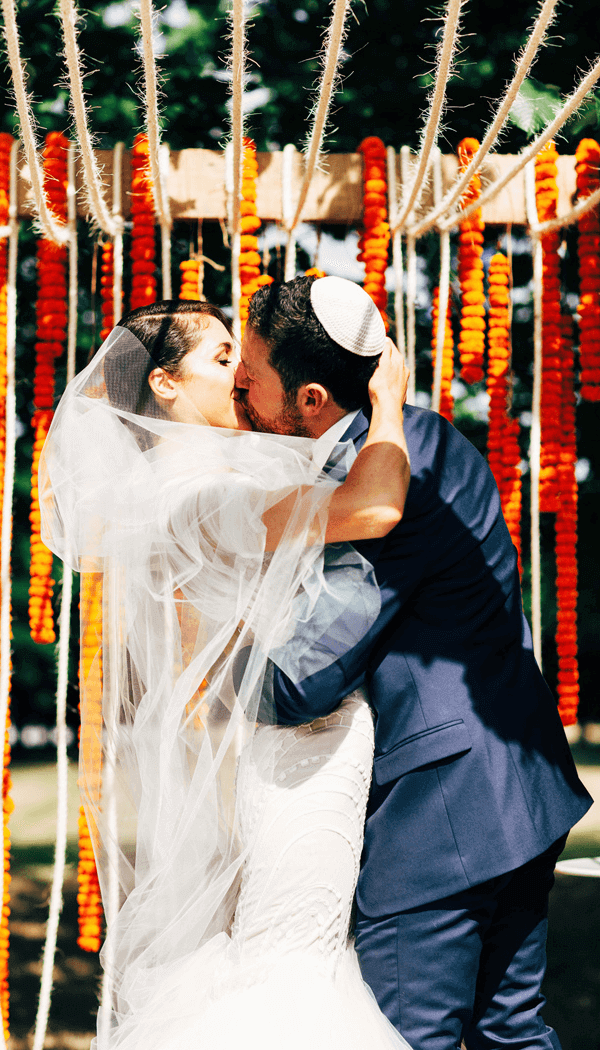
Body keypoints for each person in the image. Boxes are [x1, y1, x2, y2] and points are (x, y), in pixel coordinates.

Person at [39, 299, 413, 1050]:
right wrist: (390, 405)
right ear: (165, 387)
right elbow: (372, 507)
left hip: (276, 746)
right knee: (291, 975)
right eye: (220, 359)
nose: (243, 375)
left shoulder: (201, 485)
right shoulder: (201, 496)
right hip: (294, 750)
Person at [234, 274, 593, 1050]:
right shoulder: (423, 436)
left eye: (252, 377)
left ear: (311, 401)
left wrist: (211, 661)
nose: (239, 391)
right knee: (512, 1033)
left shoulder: (388, 475)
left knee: (409, 1037)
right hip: (516, 787)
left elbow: (304, 678)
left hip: (445, 812)